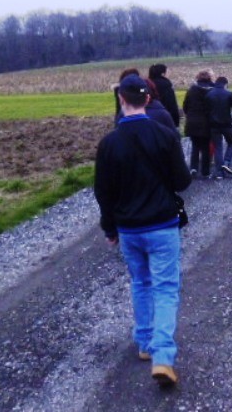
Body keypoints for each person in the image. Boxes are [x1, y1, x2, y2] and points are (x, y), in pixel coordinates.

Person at [94, 75, 192, 389]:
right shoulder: (165, 135)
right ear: (148, 99)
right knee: (165, 288)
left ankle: (145, 342)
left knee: (141, 282)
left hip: (129, 229)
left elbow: (103, 192)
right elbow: (182, 181)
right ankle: (163, 356)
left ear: (121, 100)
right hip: (162, 224)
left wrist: (110, 227)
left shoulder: (109, 144)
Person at [205, 77, 232, 179]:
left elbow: (205, 111)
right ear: (225, 84)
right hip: (226, 124)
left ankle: (219, 173)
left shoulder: (208, 95)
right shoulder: (229, 94)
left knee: (218, 147)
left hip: (213, 125)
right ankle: (227, 162)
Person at [182, 70, 215, 178]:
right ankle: (205, 172)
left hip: (192, 122)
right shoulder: (212, 90)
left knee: (195, 146)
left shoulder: (192, 89)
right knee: (205, 148)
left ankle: (193, 168)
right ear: (209, 78)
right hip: (206, 123)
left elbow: (185, 105)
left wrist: (189, 115)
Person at [148, 64, 181, 128]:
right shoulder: (167, 86)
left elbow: (141, 93)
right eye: (168, 72)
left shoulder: (146, 85)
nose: (169, 73)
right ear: (162, 74)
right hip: (165, 119)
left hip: (149, 119)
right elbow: (172, 105)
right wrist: (176, 122)